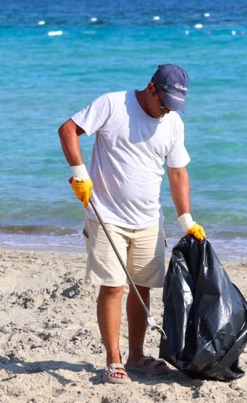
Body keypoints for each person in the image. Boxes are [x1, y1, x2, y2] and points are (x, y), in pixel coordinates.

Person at [58, 63, 206, 385]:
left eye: (173, 106)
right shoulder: (113, 105)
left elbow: (178, 172)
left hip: (148, 219)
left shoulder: (173, 123)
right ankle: (113, 361)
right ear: (151, 88)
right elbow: (68, 130)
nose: (167, 110)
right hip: (106, 214)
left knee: (142, 287)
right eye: (164, 102)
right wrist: (80, 174)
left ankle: (136, 355)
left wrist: (186, 219)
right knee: (113, 287)